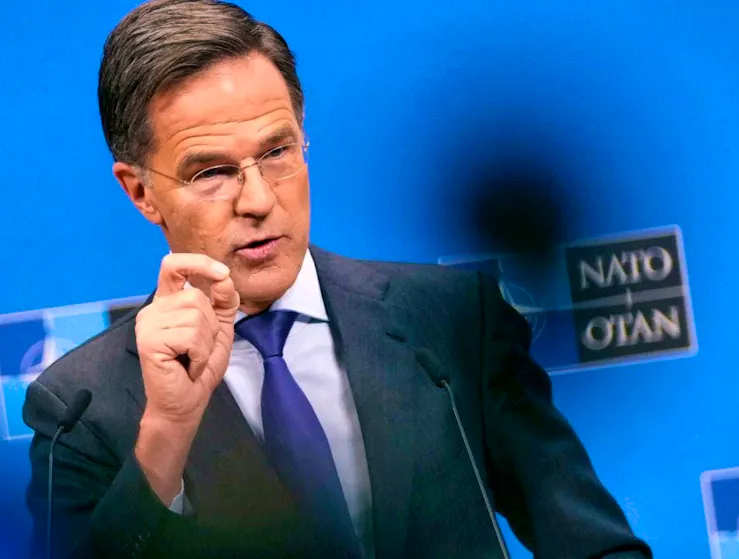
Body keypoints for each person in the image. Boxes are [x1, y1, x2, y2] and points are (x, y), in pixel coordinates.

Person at [22, 1, 652, 557]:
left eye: (277, 151)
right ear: (140, 191)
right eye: (211, 171)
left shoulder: (452, 318)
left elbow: (593, 544)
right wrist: (166, 434)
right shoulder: (83, 406)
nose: (259, 200)